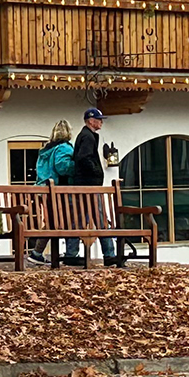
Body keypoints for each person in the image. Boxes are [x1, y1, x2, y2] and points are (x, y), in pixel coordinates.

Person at [70, 106, 122, 267]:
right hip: (89, 186)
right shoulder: (88, 137)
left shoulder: (86, 136)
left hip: (85, 185)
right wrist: (95, 171)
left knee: (79, 219)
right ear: (91, 121)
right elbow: (83, 157)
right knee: (100, 218)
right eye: (99, 120)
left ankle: (71, 253)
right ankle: (109, 254)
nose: (101, 123)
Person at [32, 120, 78, 266]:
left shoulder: (46, 149)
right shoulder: (64, 148)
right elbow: (63, 167)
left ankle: (37, 253)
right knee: (71, 219)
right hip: (56, 189)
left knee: (52, 221)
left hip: (43, 189)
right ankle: (70, 254)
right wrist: (78, 167)